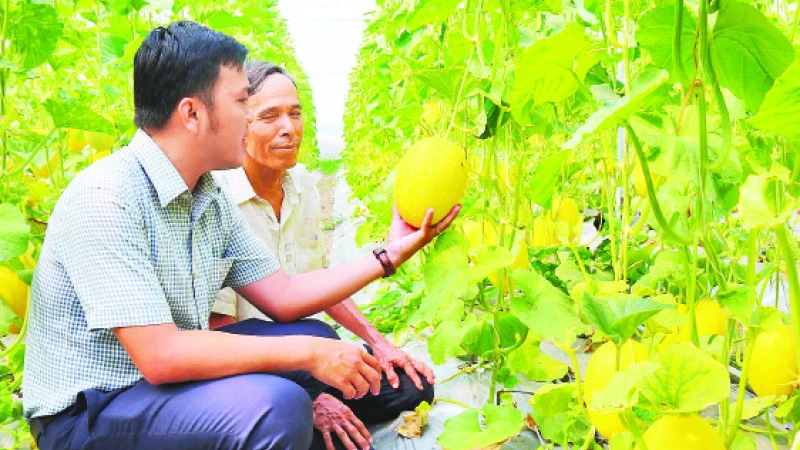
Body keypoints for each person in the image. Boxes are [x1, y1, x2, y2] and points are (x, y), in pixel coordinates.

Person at [22, 21, 459, 450]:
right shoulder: (107, 197)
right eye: (240, 103)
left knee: (318, 339)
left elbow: (284, 294)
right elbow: (160, 356)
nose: (249, 120)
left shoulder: (206, 195)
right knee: (282, 404)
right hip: (93, 412)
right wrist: (305, 359)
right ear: (192, 113)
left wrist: (390, 254)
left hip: (164, 388)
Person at [208, 60, 436, 450]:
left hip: (310, 357)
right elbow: (220, 332)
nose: (288, 128)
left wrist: (378, 342)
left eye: (295, 114)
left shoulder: (302, 185)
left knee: (414, 387)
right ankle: (302, 415)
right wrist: (310, 397)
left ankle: (318, 413)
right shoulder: (220, 203)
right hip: (247, 370)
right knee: (302, 423)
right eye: (269, 116)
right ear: (240, 126)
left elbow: (319, 283)